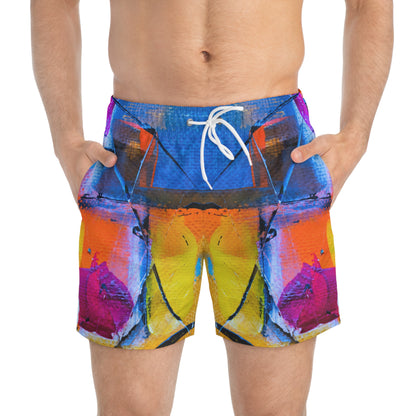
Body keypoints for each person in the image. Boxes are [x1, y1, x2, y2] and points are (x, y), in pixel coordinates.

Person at [30, 1, 393, 415]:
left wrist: (356, 134)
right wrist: (65, 139)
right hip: (137, 152)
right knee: (128, 408)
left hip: (274, 151)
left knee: (275, 409)